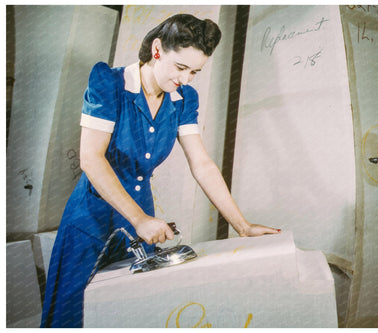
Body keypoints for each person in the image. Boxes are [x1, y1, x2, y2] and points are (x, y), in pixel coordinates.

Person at [41, 13, 280, 328]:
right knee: (72, 317)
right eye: (181, 67)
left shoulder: (183, 100)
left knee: (129, 313)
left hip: (142, 225)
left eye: (196, 71)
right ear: (157, 50)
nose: (186, 79)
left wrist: (242, 225)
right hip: (90, 224)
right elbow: (91, 159)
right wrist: (139, 219)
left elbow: (202, 164)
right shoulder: (109, 83)